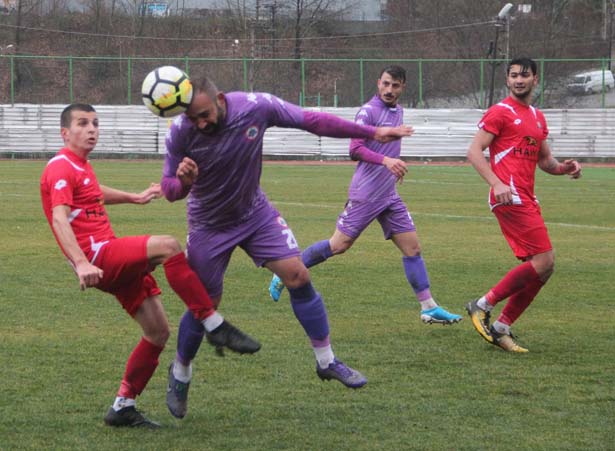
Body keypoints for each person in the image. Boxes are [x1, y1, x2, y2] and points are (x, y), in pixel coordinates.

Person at [161, 76, 413, 418]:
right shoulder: (180, 131)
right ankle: (180, 373)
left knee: (297, 275)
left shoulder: (255, 107)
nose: (201, 123)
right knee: (204, 305)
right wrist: (184, 182)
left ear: (219, 99)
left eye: (205, 115)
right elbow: (169, 190)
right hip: (209, 225)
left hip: (255, 214)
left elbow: (312, 120)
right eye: (194, 118)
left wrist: (371, 132)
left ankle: (326, 361)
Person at [40, 103, 259, 428]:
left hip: (105, 259)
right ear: (64, 133)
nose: (91, 129)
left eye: (95, 123)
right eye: (82, 123)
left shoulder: (80, 166)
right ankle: (213, 324)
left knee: (158, 332)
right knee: (168, 246)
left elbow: (91, 193)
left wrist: (134, 197)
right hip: (97, 256)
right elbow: (60, 218)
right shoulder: (60, 166)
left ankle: (123, 406)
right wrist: (81, 262)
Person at [268, 65, 462, 325]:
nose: (389, 89)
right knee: (339, 245)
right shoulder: (368, 112)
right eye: (385, 83)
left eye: (395, 85)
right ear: (378, 83)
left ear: (403, 87)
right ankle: (284, 273)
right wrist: (386, 161)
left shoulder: (398, 111)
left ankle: (428, 307)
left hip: (389, 195)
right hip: (366, 194)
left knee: (413, 248)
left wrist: (393, 167)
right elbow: (355, 149)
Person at [465, 57, 581, 352]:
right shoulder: (500, 112)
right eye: (514, 75)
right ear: (507, 80)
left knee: (543, 268)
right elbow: (474, 151)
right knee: (545, 261)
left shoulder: (537, 117)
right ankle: (482, 305)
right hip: (509, 196)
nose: (519, 80)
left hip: (526, 197)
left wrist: (565, 168)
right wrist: (496, 183)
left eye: (524, 75)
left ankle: (502, 327)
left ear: (535, 79)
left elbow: (545, 160)